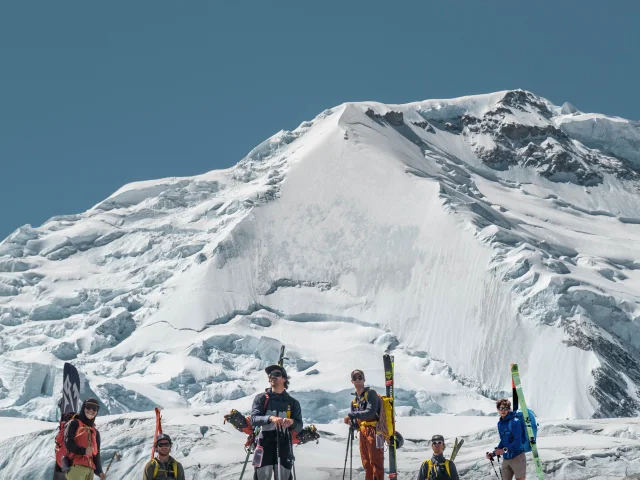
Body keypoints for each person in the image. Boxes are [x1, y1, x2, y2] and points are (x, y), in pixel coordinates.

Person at [250, 363, 303, 480]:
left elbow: (299, 427)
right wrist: (270, 418)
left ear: (284, 378)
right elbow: (254, 419)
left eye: (276, 374)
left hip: (284, 445)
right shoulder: (261, 398)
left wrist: (292, 423)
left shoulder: (293, 403)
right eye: (270, 375)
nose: (272, 376)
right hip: (264, 444)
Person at [343, 369, 384, 480]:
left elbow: (370, 412)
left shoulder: (371, 394)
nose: (357, 380)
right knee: (367, 463)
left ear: (364, 379)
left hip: (375, 431)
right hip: (362, 432)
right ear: (352, 381)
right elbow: (357, 422)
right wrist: (353, 423)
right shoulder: (354, 401)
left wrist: (351, 415)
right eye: (355, 378)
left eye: (360, 377)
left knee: (376, 462)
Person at [63, 398, 106, 480]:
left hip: (90, 471)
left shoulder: (95, 432)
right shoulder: (74, 424)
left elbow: (96, 455)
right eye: (89, 407)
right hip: (76, 468)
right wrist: (83, 451)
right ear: (83, 408)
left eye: (95, 408)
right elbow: (68, 443)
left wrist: (100, 472)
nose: (91, 410)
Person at [486, 398, 527, 480]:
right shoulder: (500, 423)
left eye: (505, 408)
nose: (503, 411)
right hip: (506, 458)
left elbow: (517, 442)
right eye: (501, 408)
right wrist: (493, 454)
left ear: (509, 409)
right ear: (498, 409)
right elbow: (503, 441)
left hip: (517, 456)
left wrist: (504, 450)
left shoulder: (515, 422)